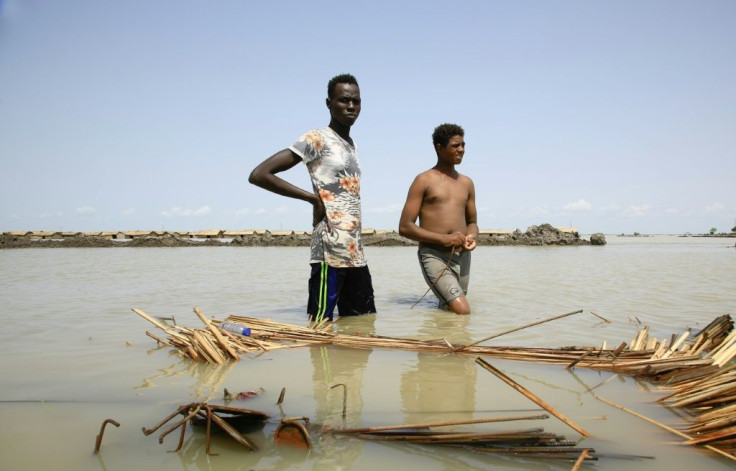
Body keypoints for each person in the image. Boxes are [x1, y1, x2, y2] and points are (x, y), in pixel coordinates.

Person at [248, 74, 376, 323]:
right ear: (329, 103)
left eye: (356, 101)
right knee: (320, 325)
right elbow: (260, 174)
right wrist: (312, 199)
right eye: (344, 100)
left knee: (363, 323)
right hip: (329, 247)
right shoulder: (317, 138)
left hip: (354, 250)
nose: (351, 106)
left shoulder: (350, 144)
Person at [398, 123, 478, 314]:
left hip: (463, 257)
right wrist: (444, 239)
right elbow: (405, 227)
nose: (461, 150)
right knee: (462, 309)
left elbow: (473, 223)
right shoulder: (424, 180)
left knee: (448, 310)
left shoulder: (467, 183)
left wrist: (472, 237)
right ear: (439, 147)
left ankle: (443, 340)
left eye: (463, 145)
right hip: (434, 256)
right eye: (455, 146)